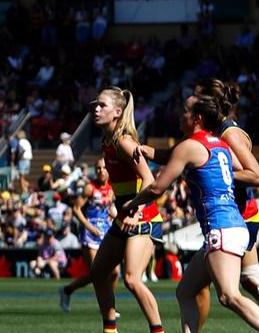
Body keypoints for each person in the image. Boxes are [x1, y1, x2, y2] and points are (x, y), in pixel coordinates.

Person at [126, 91, 259, 333]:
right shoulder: (218, 143)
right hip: (232, 224)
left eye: (185, 112)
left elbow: (156, 188)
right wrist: (150, 151)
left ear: (197, 118)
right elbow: (184, 158)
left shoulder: (190, 146)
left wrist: (131, 204)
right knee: (185, 291)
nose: (180, 115)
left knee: (229, 296)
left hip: (222, 227)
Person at [193, 80, 259, 333]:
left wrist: (213, 170)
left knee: (209, 289)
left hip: (237, 216)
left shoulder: (229, 133)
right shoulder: (220, 131)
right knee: (251, 281)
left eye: (197, 100)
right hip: (238, 215)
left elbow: (256, 176)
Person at [59, 87, 163, 333]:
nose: (96, 108)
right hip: (125, 217)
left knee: (131, 279)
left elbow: (151, 181)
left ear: (118, 112)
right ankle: (110, 330)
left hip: (143, 217)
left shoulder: (124, 142)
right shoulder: (108, 141)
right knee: (98, 273)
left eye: (102, 105)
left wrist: (134, 211)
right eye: (95, 104)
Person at [60, 157, 116, 308]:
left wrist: (117, 218)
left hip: (107, 230)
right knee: (96, 273)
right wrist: (89, 227)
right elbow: (76, 209)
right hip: (91, 233)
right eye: (98, 168)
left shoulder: (111, 187)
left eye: (104, 168)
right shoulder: (90, 188)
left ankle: (109, 304)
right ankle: (69, 291)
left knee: (115, 272)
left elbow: (109, 208)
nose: (101, 171)